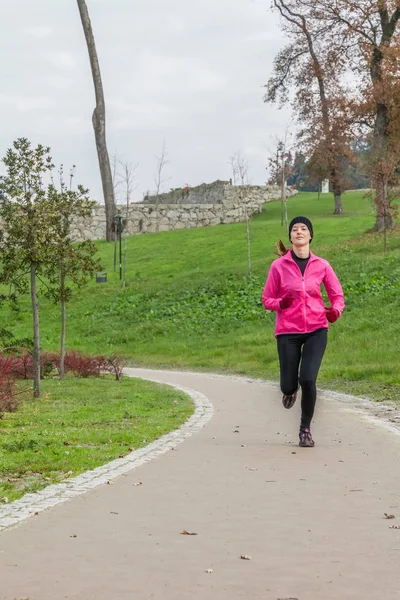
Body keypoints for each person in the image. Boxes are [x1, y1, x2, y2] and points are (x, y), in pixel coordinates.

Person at [262, 216, 345, 448]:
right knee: (289, 385)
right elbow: (267, 299)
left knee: (308, 379)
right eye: (295, 229)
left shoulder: (322, 265)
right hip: (288, 331)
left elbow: (337, 296)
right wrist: (281, 303)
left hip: (317, 328)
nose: (299, 232)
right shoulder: (278, 266)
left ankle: (305, 429)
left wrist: (335, 311)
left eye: (304, 229)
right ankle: (290, 391)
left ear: (310, 236)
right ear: (290, 237)